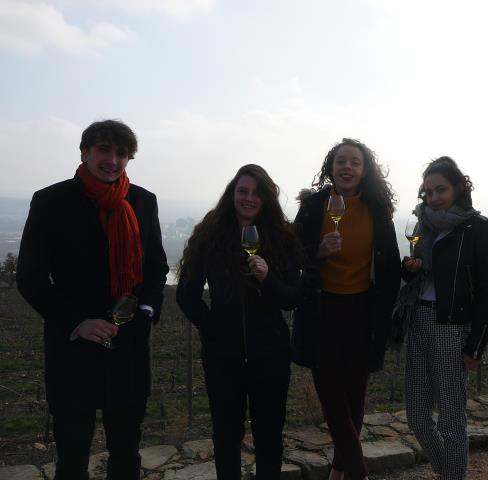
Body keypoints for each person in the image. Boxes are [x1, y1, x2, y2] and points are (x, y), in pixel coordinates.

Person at [16, 119, 169, 480]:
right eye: (104, 150)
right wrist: (77, 322)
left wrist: (145, 311)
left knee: (126, 457)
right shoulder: (51, 201)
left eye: (122, 153)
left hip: (129, 348)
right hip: (73, 352)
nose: (113, 160)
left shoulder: (143, 202)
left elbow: (157, 267)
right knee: (71, 459)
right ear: (85, 152)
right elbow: (31, 278)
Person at [176, 164, 304, 480]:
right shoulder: (211, 234)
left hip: (271, 356)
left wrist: (267, 278)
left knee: (269, 438)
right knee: (226, 437)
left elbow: (292, 298)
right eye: (242, 191)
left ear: (266, 199)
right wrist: (211, 329)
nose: (248, 198)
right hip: (223, 358)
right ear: (232, 195)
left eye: (256, 193)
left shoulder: (282, 238)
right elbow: (187, 294)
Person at [291, 138, 401, 480]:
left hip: (363, 312)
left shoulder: (377, 209)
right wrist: (318, 252)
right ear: (331, 168)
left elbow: (390, 265)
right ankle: (358, 471)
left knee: (355, 397)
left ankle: (338, 472)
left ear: (364, 170)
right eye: (341, 161)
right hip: (322, 311)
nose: (347, 167)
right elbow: (291, 256)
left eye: (355, 161)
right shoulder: (313, 208)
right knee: (332, 398)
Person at [397, 157, 488, 479]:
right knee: (416, 416)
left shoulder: (477, 228)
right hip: (418, 322)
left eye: (441, 189)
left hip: (452, 328)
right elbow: (421, 277)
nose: (435, 197)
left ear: (457, 188)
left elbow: (487, 291)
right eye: (428, 192)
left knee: (452, 422)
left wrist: (476, 345)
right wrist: (409, 269)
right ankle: (449, 473)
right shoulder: (423, 225)